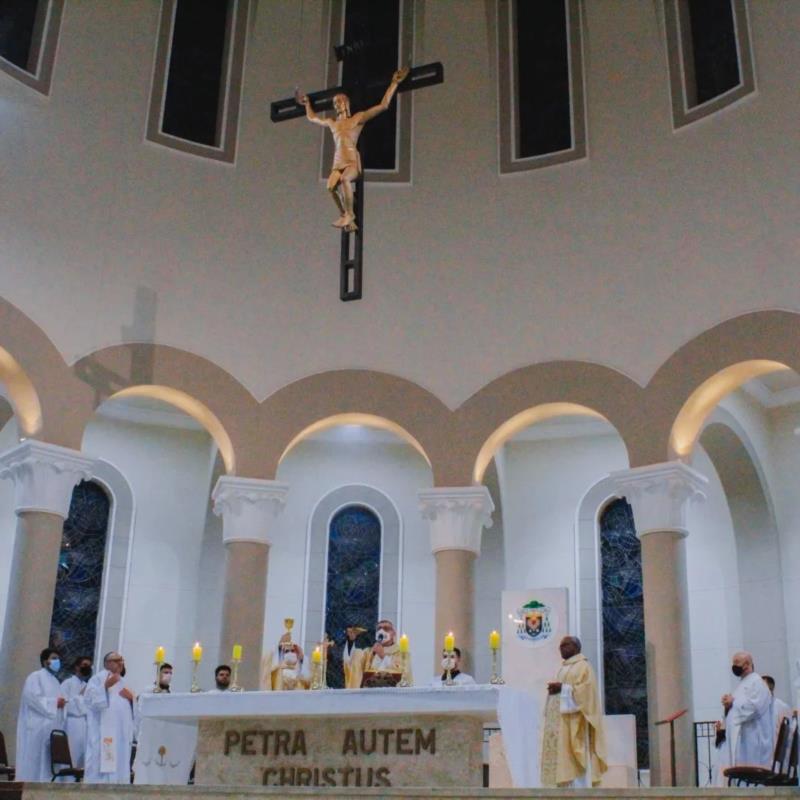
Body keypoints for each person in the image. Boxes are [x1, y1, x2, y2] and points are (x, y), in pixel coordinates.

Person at [300, 67, 410, 231]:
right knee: (330, 187)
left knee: (345, 180)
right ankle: (345, 214)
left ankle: (350, 214)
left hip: (351, 161)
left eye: (340, 101)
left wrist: (394, 83)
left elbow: (383, 105)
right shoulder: (333, 123)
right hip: (337, 162)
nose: (337, 105)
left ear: (346, 103)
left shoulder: (357, 119)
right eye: (335, 103)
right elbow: (313, 117)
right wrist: (307, 104)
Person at [540, 636, 607, 787]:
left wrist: (562, 688)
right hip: (562, 722)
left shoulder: (583, 666)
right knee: (562, 756)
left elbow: (587, 692)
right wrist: (554, 691)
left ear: (577, 647)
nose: (562, 648)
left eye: (565, 645)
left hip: (577, 723)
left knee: (576, 759)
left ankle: (579, 790)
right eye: (560, 646)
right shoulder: (563, 668)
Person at [84, 651, 136, 784]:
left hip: (121, 734)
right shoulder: (97, 678)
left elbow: (133, 708)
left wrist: (131, 700)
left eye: (122, 660)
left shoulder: (123, 681)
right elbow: (89, 701)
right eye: (116, 660)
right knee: (103, 762)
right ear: (107, 663)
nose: (120, 663)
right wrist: (105, 686)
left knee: (120, 763)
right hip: (103, 732)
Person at [15, 647, 66, 781]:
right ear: (45, 661)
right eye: (54, 658)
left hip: (50, 729)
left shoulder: (55, 681)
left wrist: (61, 704)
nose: (57, 661)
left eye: (58, 659)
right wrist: (54, 703)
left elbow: (59, 704)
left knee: (48, 763)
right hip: (37, 728)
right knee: (35, 761)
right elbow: (32, 698)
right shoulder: (35, 676)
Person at [719, 651, 772, 768]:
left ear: (747, 664)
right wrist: (728, 705)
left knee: (749, 771)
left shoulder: (757, 682)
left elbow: (754, 707)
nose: (734, 666)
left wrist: (733, 701)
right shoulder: (743, 684)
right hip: (742, 738)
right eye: (733, 663)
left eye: (737, 662)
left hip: (752, 737)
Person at [343, 619, 411, 688]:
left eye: (386, 628)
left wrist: (383, 656)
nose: (382, 631)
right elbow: (352, 664)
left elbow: (405, 676)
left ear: (393, 633)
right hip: (369, 694)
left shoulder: (400, 653)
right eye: (379, 629)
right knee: (357, 653)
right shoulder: (368, 652)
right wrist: (351, 641)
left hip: (391, 694)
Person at [61, 655, 93, 769]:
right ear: (76, 667)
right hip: (72, 723)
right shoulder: (67, 684)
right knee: (71, 752)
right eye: (84, 665)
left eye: (89, 666)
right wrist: (80, 697)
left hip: (85, 724)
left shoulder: (88, 686)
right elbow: (65, 704)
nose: (87, 668)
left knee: (83, 754)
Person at [763, 675, 792, 746]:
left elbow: (789, 733)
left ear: (770, 689)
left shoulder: (782, 707)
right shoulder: (757, 709)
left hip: (778, 751)